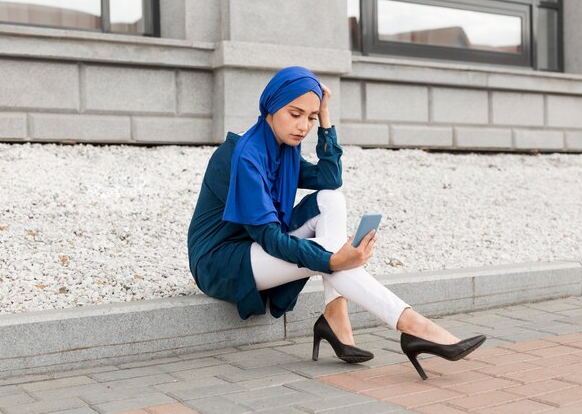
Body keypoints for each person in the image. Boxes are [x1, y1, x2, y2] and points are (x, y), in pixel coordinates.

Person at [187, 66, 485, 380]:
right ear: (271, 107)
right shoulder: (242, 156)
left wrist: (326, 119)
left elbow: (330, 178)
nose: (303, 126)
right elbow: (269, 237)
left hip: (255, 249)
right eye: (295, 114)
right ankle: (412, 326)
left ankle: (336, 314)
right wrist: (331, 260)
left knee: (331, 199)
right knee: (329, 253)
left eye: (311, 117)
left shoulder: (283, 149)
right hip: (221, 263)